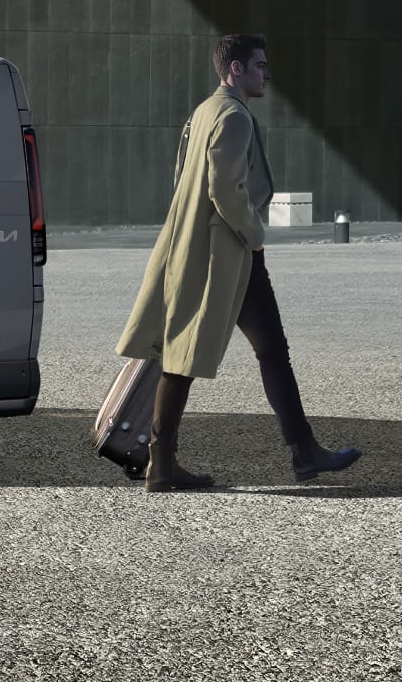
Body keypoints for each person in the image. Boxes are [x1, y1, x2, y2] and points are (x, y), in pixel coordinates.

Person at [115, 34, 361, 492]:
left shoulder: (203, 111)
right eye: (260, 65)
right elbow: (225, 188)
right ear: (235, 70)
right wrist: (253, 235)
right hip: (227, 252)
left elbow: (181, 178)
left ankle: (163, 465)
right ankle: (301, 454)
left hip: (194, 245)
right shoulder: (234, 116)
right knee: (251, 352)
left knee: (189, 352)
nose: (267, 73)